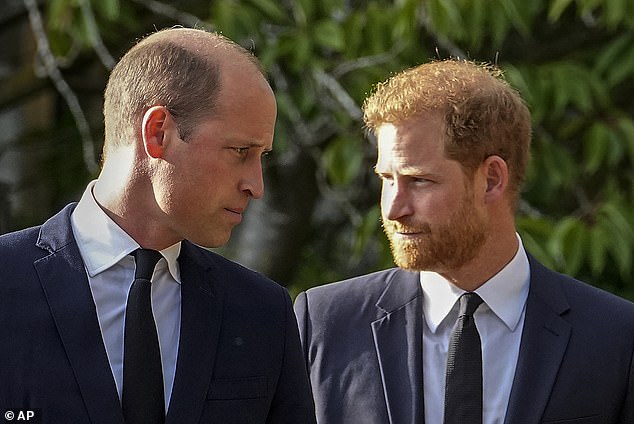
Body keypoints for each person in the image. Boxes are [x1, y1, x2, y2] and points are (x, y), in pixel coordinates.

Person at [0, 27, 316, 424]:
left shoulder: (262, 313)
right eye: (240, 151)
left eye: (261, 156)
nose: (256, 185)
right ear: (158, 132)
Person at [294, 59, 634, 424]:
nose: (393, 209)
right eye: (387, 178)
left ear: (491, 179)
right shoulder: (326, 323)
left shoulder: (614, 337)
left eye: (419, 180)